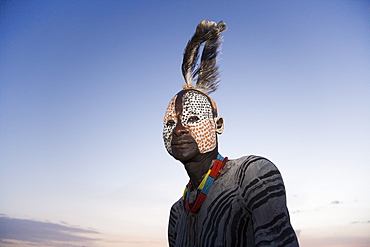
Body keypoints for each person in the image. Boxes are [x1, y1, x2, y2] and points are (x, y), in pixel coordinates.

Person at [163, 20, 299, 247]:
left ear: (218, 125)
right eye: (170, 122)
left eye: (193, 119)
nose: (178, 129)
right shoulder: (178, 213)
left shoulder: (252, 175)